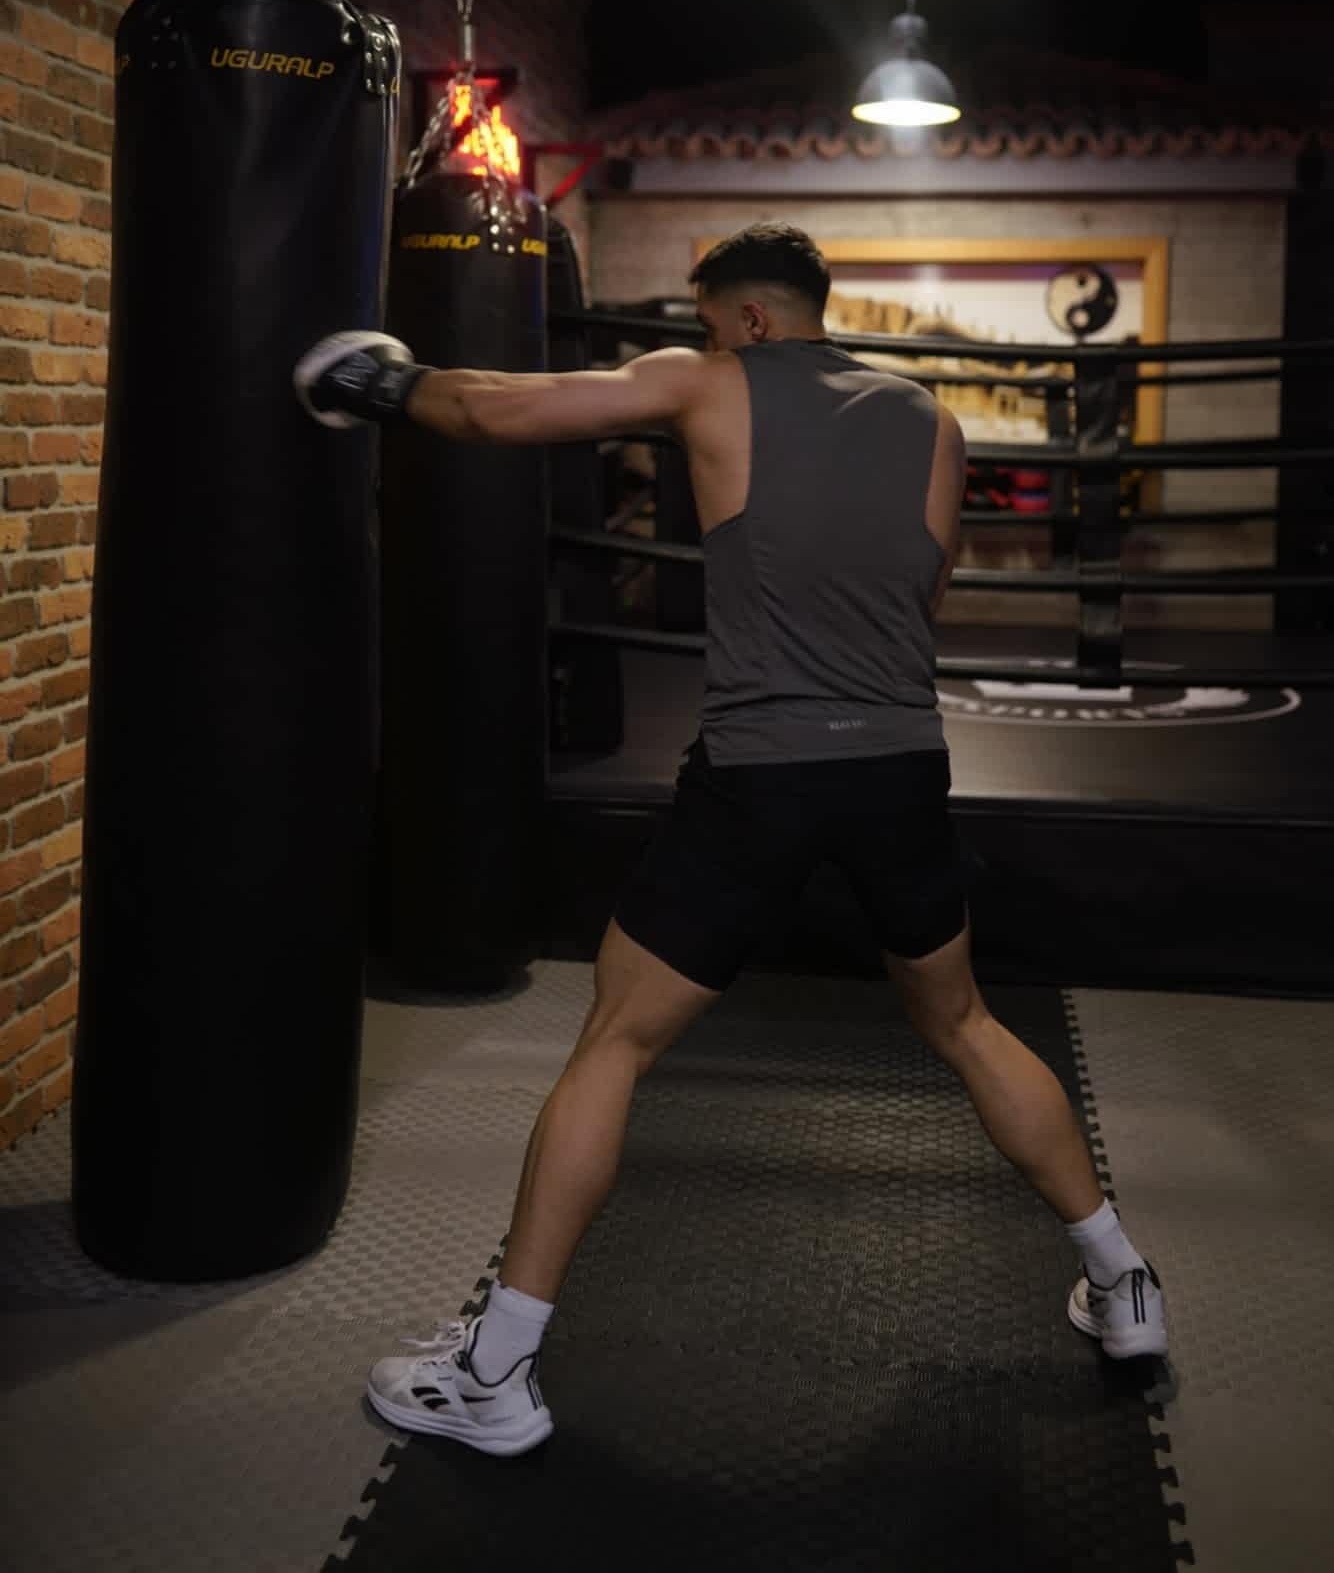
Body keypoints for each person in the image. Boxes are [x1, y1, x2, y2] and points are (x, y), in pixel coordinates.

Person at [294, 219, 1167, 1459]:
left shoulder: (710, 381)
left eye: (710, 321)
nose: (704, 340)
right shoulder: (930, 421)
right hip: (900, 767)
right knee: (963, 1019)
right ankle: (1121, 1279)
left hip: (760, 772)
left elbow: (492, 409)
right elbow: (921, 598)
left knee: (614, 1038)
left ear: (749, 318)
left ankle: (494, 1372)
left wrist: (380, 380)